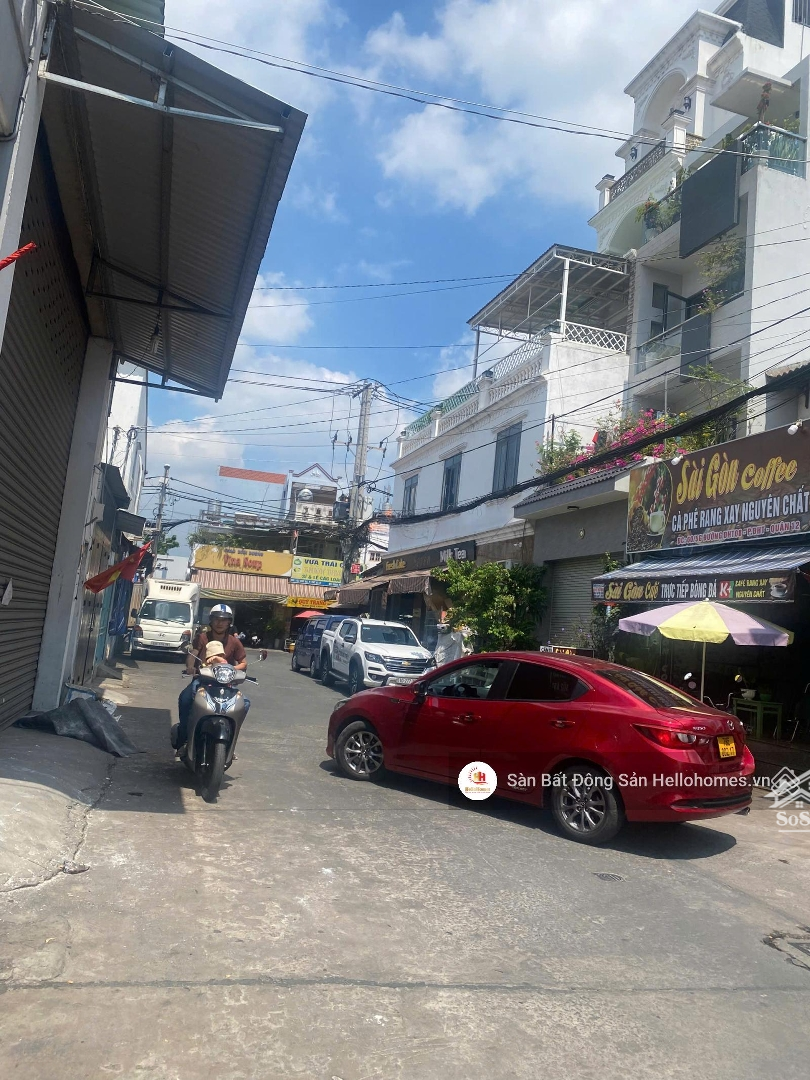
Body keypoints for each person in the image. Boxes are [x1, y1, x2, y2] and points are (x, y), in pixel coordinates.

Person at [175, 604, 247, 748]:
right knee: (185, 699)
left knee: (245, 703)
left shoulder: (234, 641)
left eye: (224, 620)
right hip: (203, 680)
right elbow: (193, 653)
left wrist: (231, 669)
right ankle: (183, 738)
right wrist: (190, 667)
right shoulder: (202, 637)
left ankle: (231, 742)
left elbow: (243, 663)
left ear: (229, 622)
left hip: (226, 683)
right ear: (211, 621)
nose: (220, 623)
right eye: (217, 619)